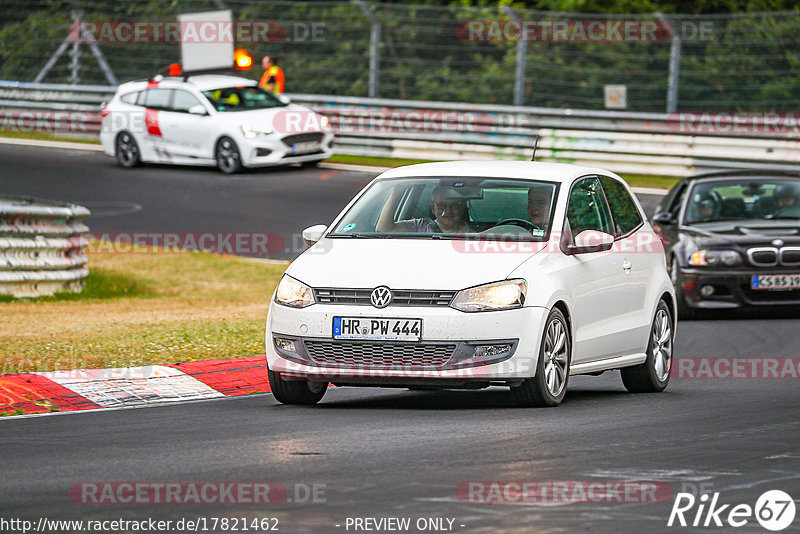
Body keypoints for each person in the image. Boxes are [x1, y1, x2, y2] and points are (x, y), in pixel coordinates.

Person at [376, 185, 472, 234]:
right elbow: (383, 229)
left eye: (453, 206)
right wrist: (396, 192)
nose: (447, 211)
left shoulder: (477, 234)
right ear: (433, 208)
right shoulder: (419, 226)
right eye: (441, 206)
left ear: (462, 208)